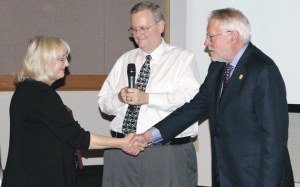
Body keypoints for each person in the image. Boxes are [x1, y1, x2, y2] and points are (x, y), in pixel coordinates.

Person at [132, 8, 295, 187]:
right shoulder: (217, 68)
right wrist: (150, 135)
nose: (206, 42)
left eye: (211, 36)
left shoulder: (262, 70)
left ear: (232, 36)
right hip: (225, 176)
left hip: (256, 179)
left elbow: (274, 141)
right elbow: (194, 107)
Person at [1, 35, 146, 187]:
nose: (67, 63)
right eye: (61, 59)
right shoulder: (41, 94)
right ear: (44, 61)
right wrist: (122, 142)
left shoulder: (26, 89)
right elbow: (78, 137)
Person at [97, 2, 201, 186]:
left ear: (161, 26)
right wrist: (119, 98)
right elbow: (103, 103)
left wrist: (147, 98)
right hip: (120, 149)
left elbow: (190, 101)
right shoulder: (125, 60)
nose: (138, 35)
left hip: (164, 152)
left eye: (144, 28)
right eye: (134, 29)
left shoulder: (182, 58)